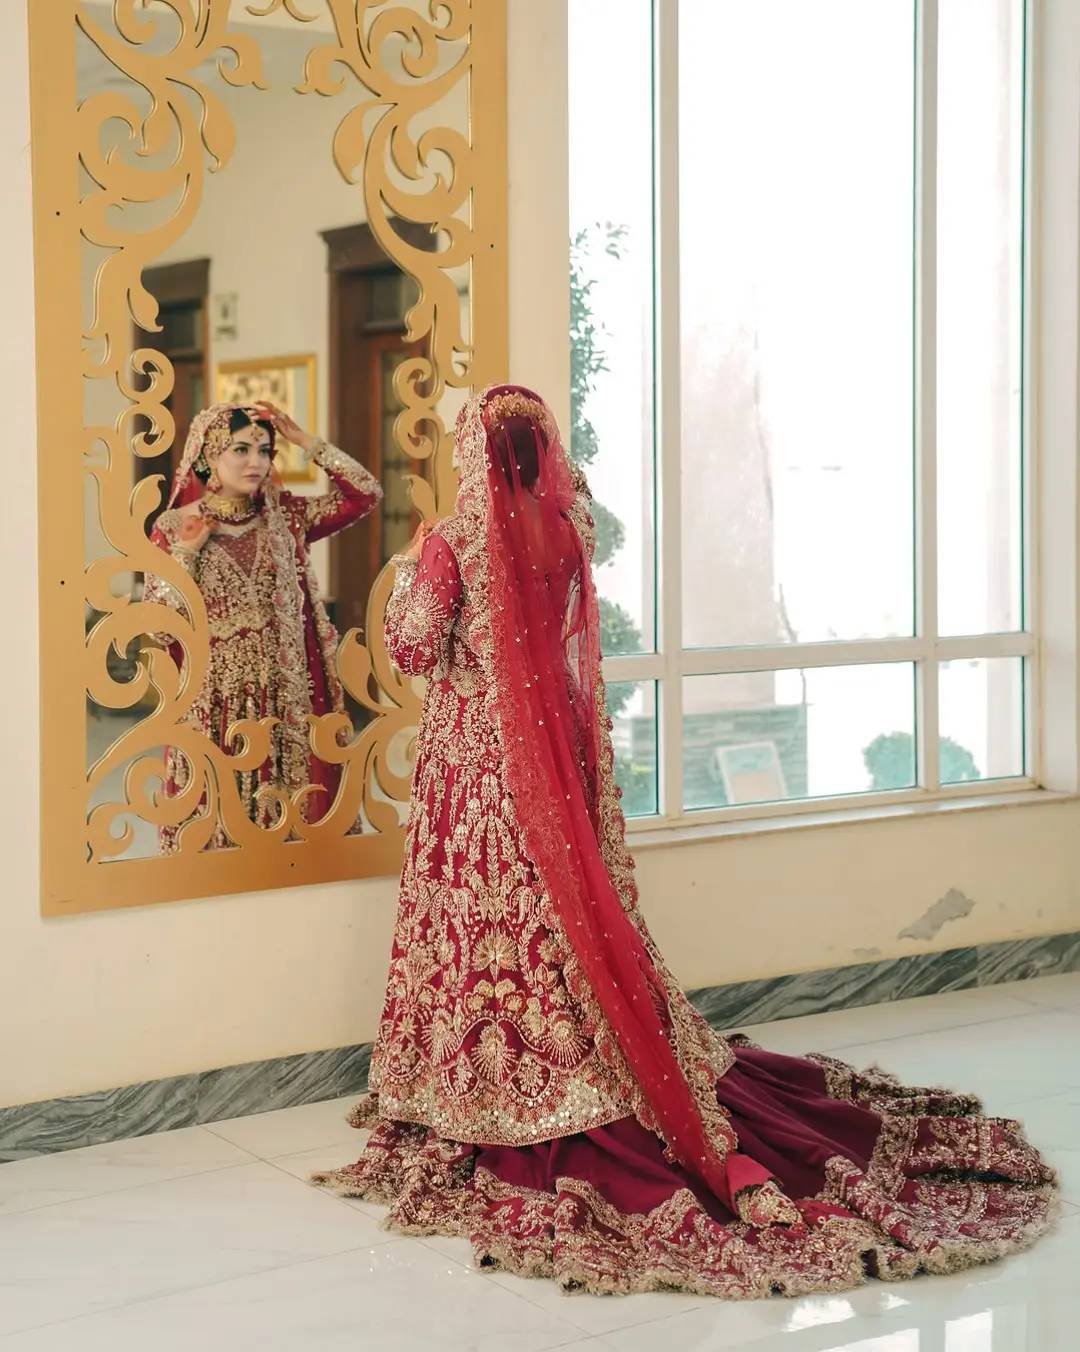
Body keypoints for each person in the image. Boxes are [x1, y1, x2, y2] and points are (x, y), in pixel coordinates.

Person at [312, 385, 1056, 1297]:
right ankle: (577, 1061)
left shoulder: (455, 541)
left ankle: (497, 1087)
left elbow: (414, 648)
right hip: (553, 769)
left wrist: (407, 562)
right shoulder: (565, 527)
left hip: (477, 769)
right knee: (554, 924)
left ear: (472, 453)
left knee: (485, 922)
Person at [144, 402, 381, 850]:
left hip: (285, 697)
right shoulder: (174, 527)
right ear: (208, 454)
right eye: (241, 449)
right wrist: (188, 552)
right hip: (216, 701)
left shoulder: (286, 518)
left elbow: (365, 494)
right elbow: (159, 625)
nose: (256, 462)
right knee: (218, 828)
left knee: (293, 828)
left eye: (265, 451)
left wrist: (305, 441)